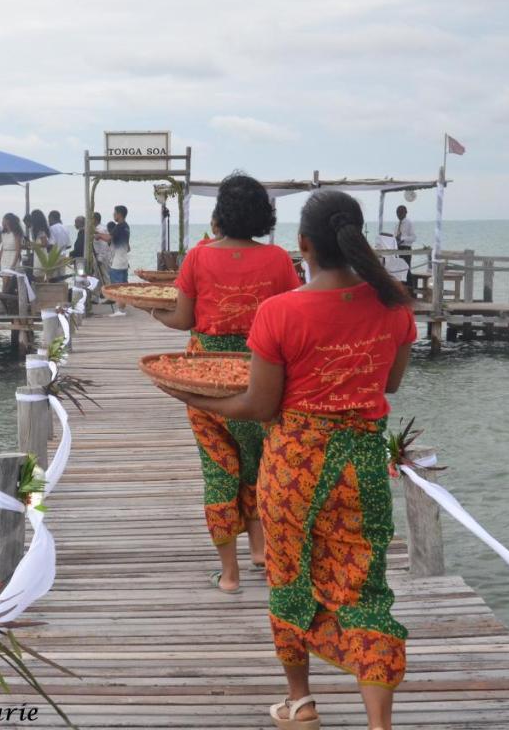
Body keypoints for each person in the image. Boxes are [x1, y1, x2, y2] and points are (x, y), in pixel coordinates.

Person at [158, 189, 416, 730]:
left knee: (290, 575)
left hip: (296, 462)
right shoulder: (394, 302)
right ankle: (379, 725)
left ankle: (300, 702)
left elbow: (258, 405)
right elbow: (390, 381)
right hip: (363, 464)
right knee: (364, 585)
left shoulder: (280, 312)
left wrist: (193, 396)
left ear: (303, 245)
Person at [149, 174, 300, 594]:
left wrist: (153, 313)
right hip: (259, 375)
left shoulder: (199, 257)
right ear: (262, 214)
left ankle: (230, 574)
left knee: (218, 470)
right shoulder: (279, 260)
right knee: (257, 463)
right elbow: (293, 318)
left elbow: (182, 319)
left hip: (206, 377)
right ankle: (260, 550)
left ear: (220, 215)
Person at [0, 213, 24, 306]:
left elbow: (18, 250)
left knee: (11, 281)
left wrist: (14, 263)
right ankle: (3, 299)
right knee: (5, 280)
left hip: (13, 255)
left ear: (8, 221)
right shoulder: (4, 233)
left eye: (3, 219)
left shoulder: (16, 233)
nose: (2, 222)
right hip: (5, 256)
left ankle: (7, 299)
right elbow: (2, 248)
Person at [395, 205, 415, 287]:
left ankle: (411, 289)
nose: (399, 215)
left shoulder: (409, 223)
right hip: (397, 249)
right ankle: (402, 288)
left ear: (405, 213)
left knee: (406, 269)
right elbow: (395, 236)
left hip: (406, 248)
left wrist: (402, 238)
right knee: (399, 270)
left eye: (400, 212)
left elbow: (413, 237)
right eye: (397, 213)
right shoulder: (397, 224)